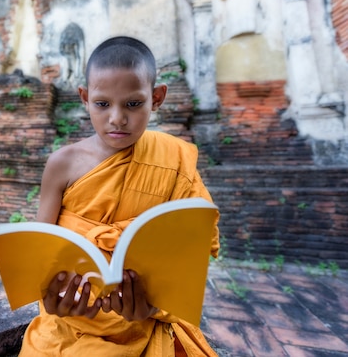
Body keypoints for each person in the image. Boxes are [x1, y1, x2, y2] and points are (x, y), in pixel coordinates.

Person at [19, 36, 220, 356]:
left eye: (133, 103)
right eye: (102, 104)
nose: (117, 118)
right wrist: (52, 300)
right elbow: (42, 256)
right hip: (70, 326)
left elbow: (188, 265)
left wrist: (152, 309)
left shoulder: (174, 161)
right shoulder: (63, 164)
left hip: (143, 324)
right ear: (85, 98)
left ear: (157, 98)